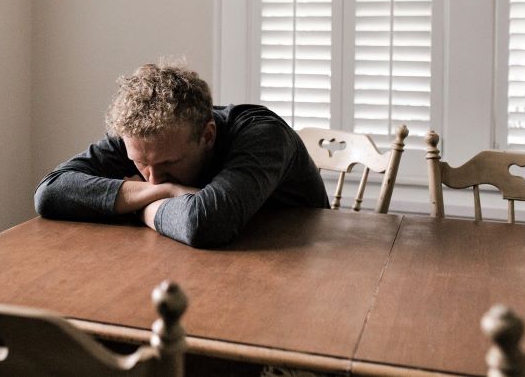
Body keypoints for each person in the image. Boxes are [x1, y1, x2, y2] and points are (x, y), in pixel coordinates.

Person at [34, 61, 329, 248]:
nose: (153, 178)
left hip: (306, 264)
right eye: (140, 164)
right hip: (203, 261)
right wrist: (168, 192)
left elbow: (205, 223)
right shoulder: (142, 138)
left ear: (208, 135)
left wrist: (139, 206)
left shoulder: (263, 134)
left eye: (169, 165)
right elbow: (50, 193)